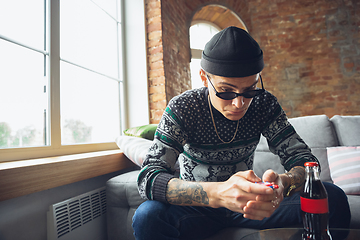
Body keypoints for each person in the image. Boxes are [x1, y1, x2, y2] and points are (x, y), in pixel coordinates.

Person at [132, 26, 350, 240]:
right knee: (148, 216)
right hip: (198, 208)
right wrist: (217, 194)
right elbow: (148, 178)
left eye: (249, 90)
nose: (239, 103)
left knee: (334, 197)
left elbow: (306, 161)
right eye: (226, 91)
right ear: (203, 76)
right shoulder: (184, 108)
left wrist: (284, 184)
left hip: (251, 204)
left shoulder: (264, 104)